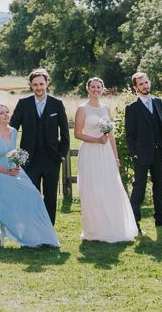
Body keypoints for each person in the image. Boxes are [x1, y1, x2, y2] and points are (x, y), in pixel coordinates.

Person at [0, 105, 59, 248]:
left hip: (13, 170)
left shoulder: (13, 131)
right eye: (2, 113)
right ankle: (28, 238)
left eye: (7, 112)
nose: (6, 115)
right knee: (22, 195)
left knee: (34, 194)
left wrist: (17, 163)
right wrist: (5, 171)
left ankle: (41, 236)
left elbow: (12, 153)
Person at [75, 77, 136, 242]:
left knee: (110, 188)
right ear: (88, 89)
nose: (96, 89)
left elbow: (111, 136)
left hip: (106, 153)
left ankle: (112, 227)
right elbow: (77, 133)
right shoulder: (82, 109)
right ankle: (94, 230)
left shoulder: (106, 108)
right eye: (92, 87)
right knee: (92, 190)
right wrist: (96, 140)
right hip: (90, 152)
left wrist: (115, 157)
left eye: (99, 87)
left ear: (103, 89)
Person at [9, 68, 69, 225]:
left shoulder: (57, 104)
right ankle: (33, 230)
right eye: (35, 84)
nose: (39, 87)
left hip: (52, 160)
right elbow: (12, 130)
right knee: (31, 196)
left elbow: (65, 134)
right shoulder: (23, 104)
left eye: (41, 84)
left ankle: (49, 231)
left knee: (51, 197)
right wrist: (15, 155)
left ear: (47, 83)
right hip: (30, 160)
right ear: (31, 85)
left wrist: (61, 155)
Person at [125, 71, 162, 231]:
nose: (145, 86)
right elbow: (130, 134)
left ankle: (160, 219)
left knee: (160, 187)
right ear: (136, 88)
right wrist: (134, 153)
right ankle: (135, 223)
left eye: (146, 82)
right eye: (141, 84)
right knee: (139, 188)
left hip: (159, 153)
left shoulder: (159, 102)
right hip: (141, 154)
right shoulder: (132, 108)